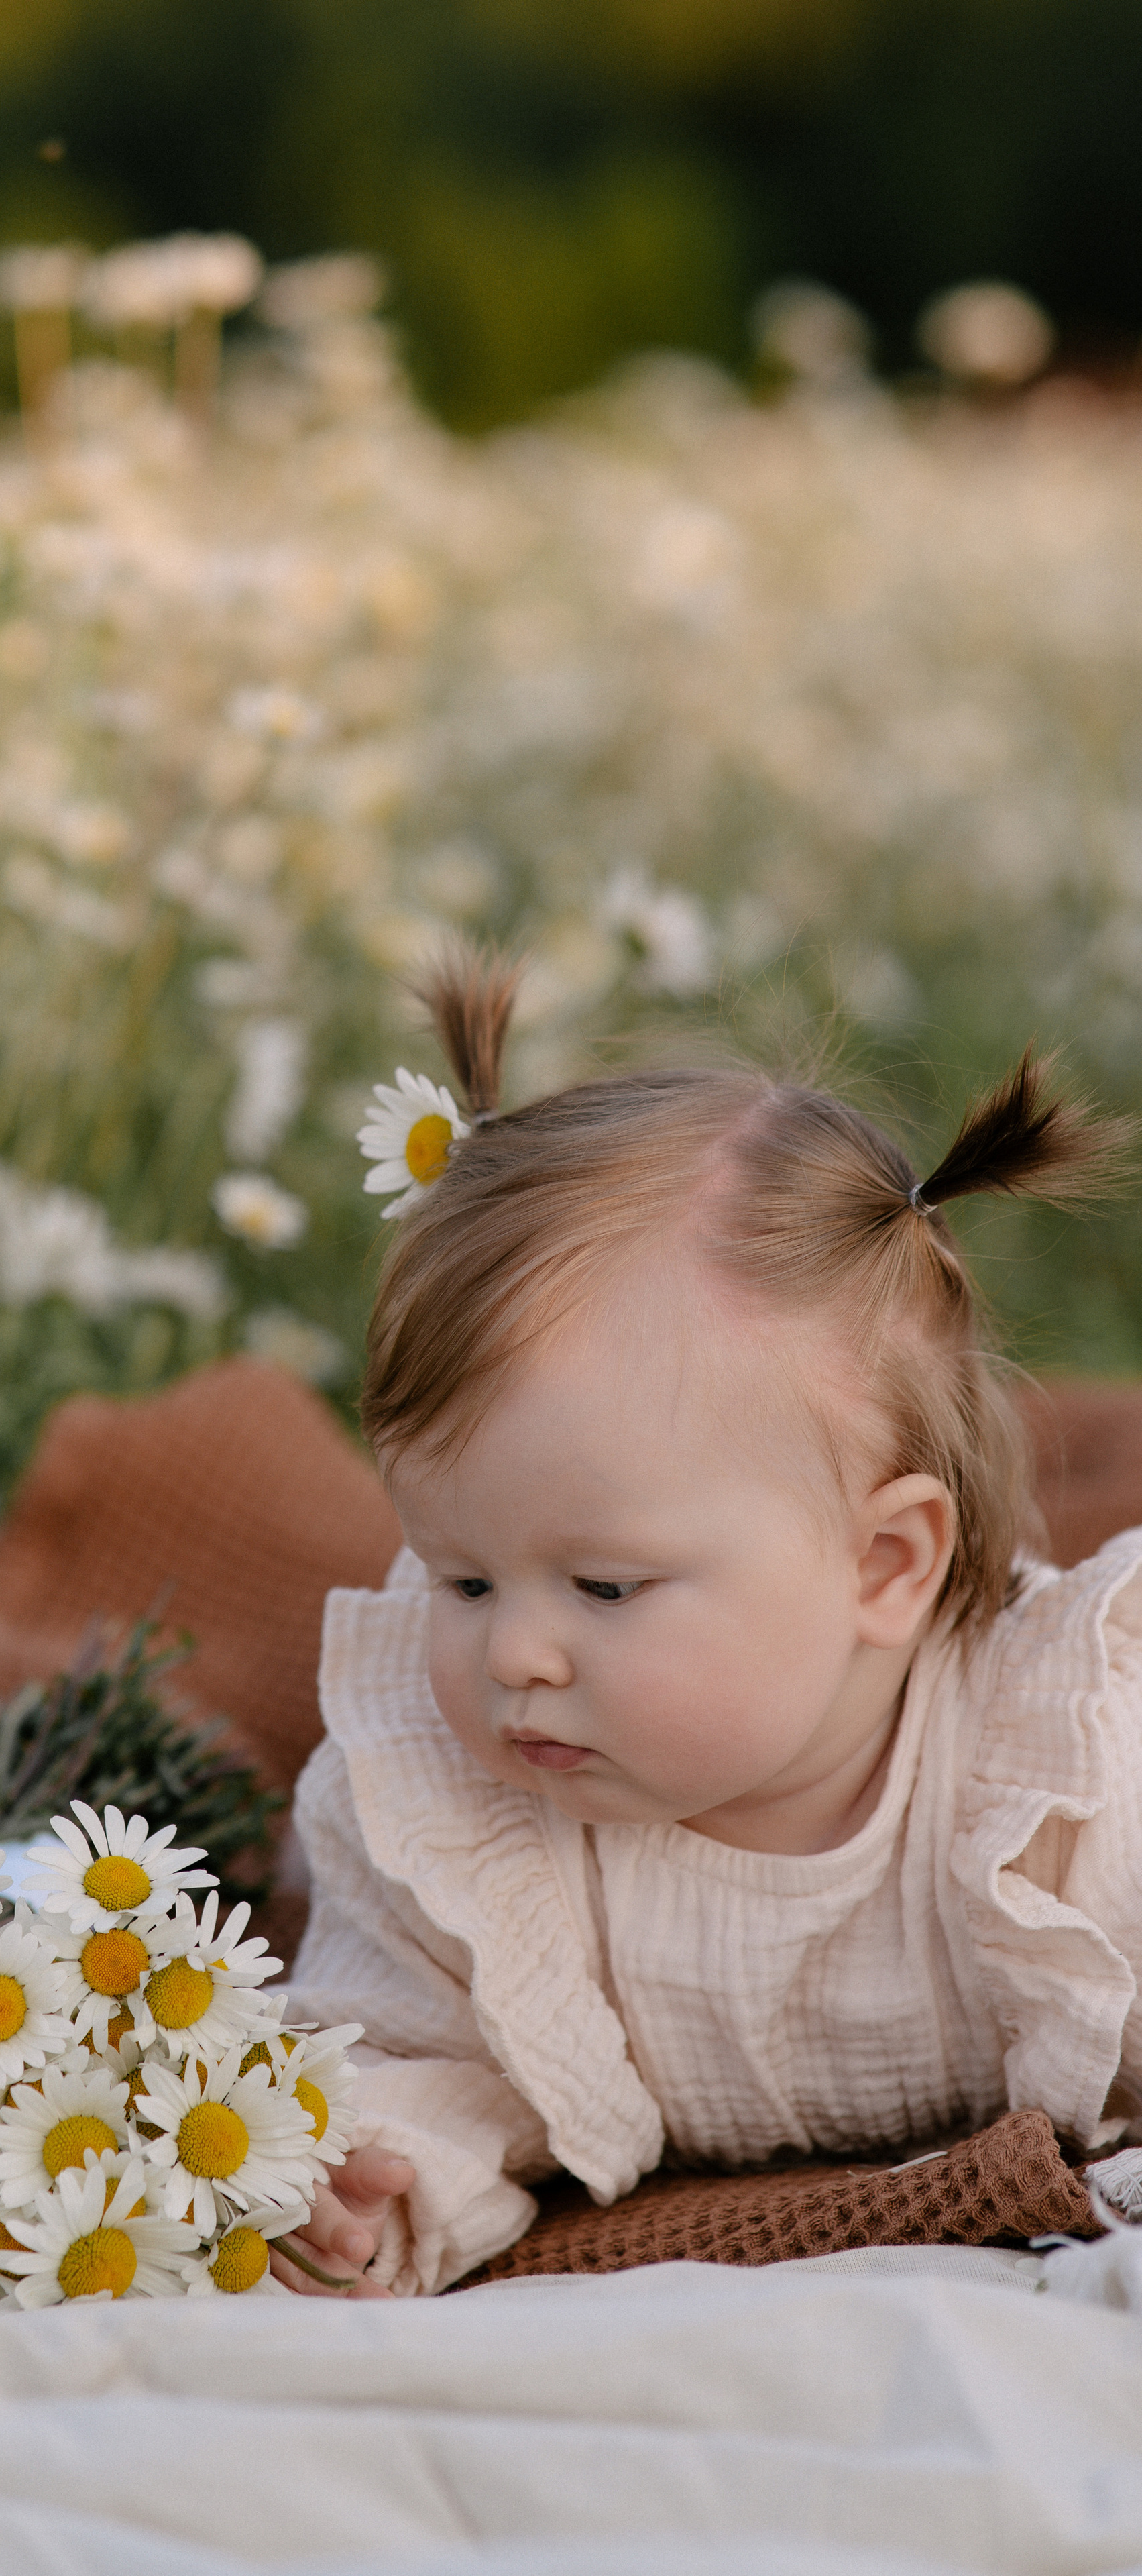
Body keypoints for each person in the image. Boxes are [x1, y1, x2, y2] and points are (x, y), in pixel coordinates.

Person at [273, 953, 1138, 2297]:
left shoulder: (1058, 1787)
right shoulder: (445, 1825)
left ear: (881, 1564)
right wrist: (367, 2176)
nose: (514, 1656)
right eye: (459, 1577)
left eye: (603, 1588)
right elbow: (415, 2055)